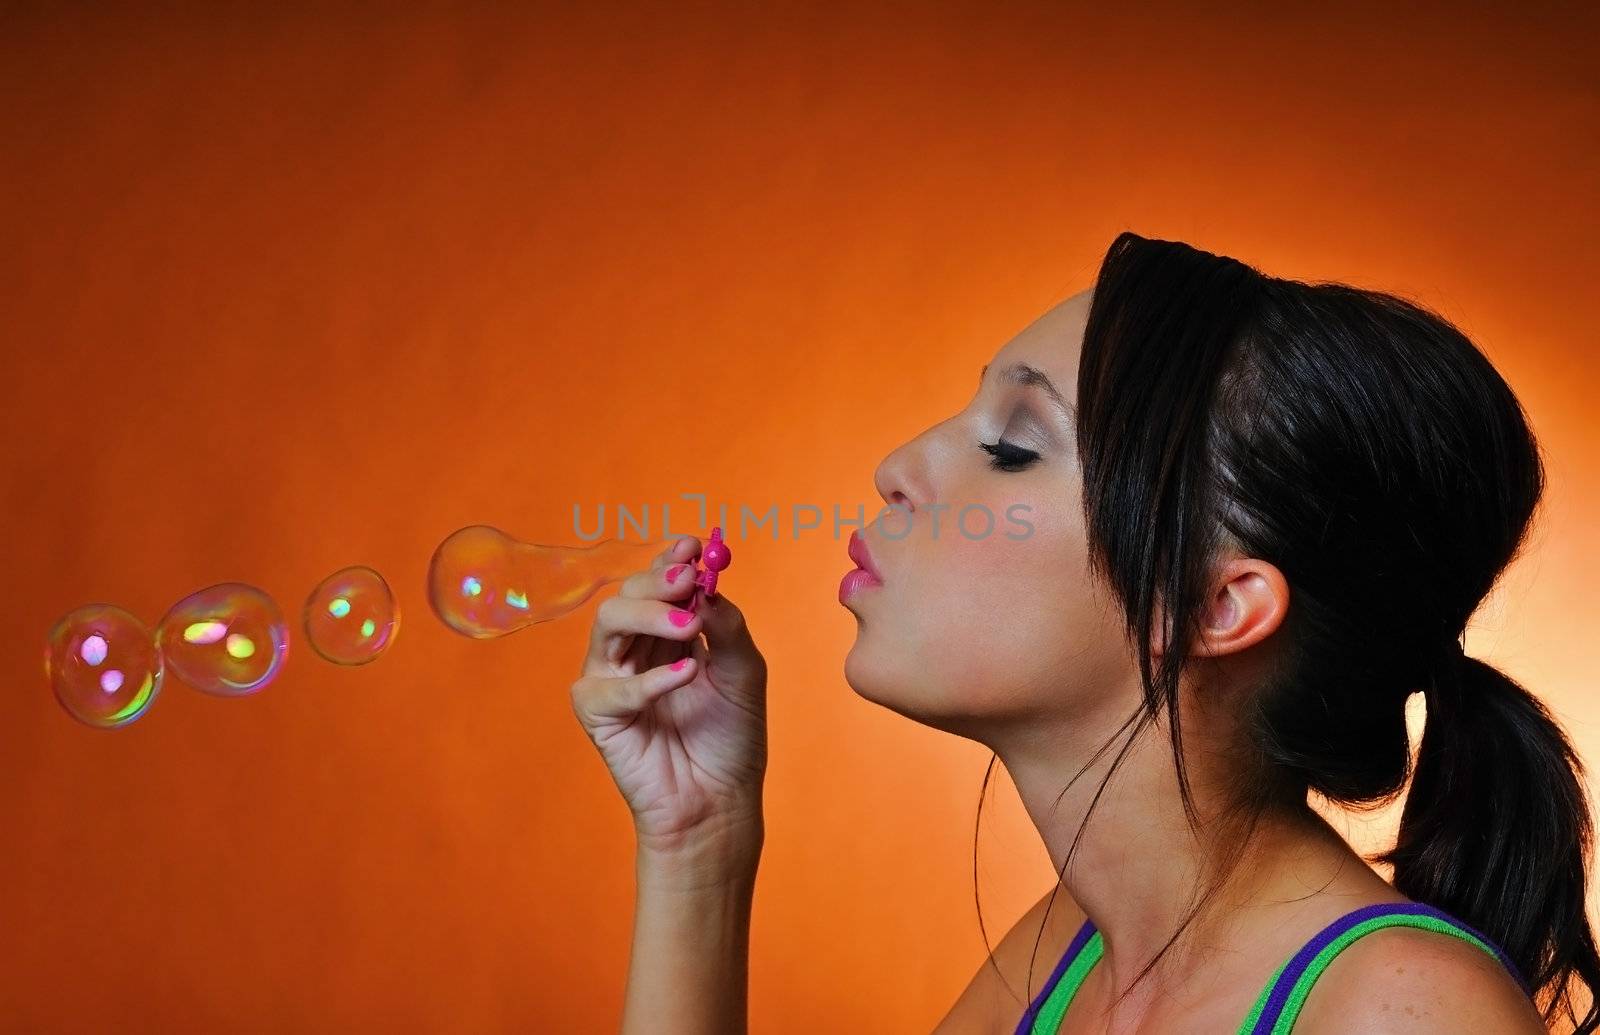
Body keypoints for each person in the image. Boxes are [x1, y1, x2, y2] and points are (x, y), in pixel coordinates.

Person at [568, 231, 1598, 1033]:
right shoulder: (1071, 955)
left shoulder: (1397, 1017)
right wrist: (695, 842)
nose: (900, 465)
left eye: (1013, 446)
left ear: (1215, 608)